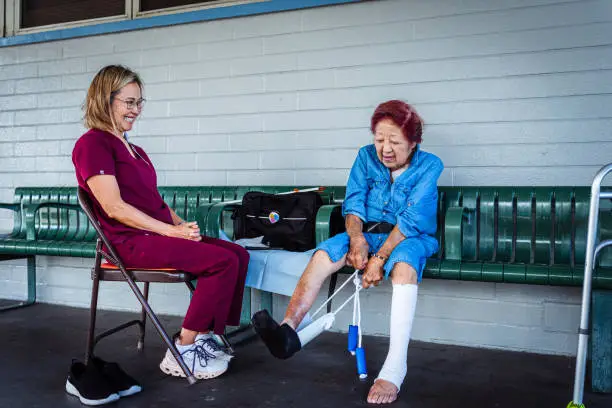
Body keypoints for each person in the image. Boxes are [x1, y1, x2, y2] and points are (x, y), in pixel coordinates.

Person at [252, 100, 443, 404]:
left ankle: (395, 367)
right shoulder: (365, 157)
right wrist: (356, 240)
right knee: (323, 255)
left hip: (409, 236)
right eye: (379, 140)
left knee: (404, 266)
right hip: (366, 234)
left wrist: (379, 259)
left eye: (394, 141)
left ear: (413, 141)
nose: (385, 149)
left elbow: (410, 220)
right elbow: (354, 202)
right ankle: (288, 332)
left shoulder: (430, 165)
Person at [72, 65, 249, 380]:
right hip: (127, 244)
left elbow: (156, 203)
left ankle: (205, 335)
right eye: (129, 102)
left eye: (139, 102)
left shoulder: (135, 150)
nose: (136, 110)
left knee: (238, 254)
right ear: (105, 99)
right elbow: (113, 207)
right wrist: (171, 232)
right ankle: (182, 347)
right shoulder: (93, 144)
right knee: (221, 262)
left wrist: (183, 227)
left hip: (154, 237)